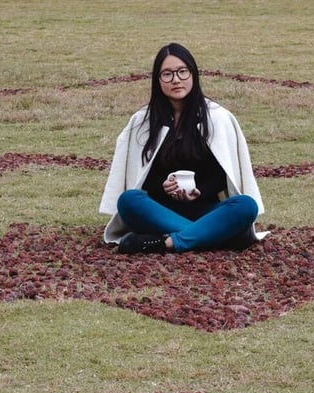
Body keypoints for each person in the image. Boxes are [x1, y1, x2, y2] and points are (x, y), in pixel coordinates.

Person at [99, 43, 266, 254]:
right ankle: (215, 236)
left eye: (182, 72)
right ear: (158, 80)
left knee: (246, 206)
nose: (176, 80)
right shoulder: (143, 122)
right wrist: (163, 186)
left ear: (193, 74)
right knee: (128, 201)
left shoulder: (218, 118)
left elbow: (223, 176)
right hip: (160, 211)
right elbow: (140, 176)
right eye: (167, 74)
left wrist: (199, 192)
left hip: (207, 210)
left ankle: (167, 242)